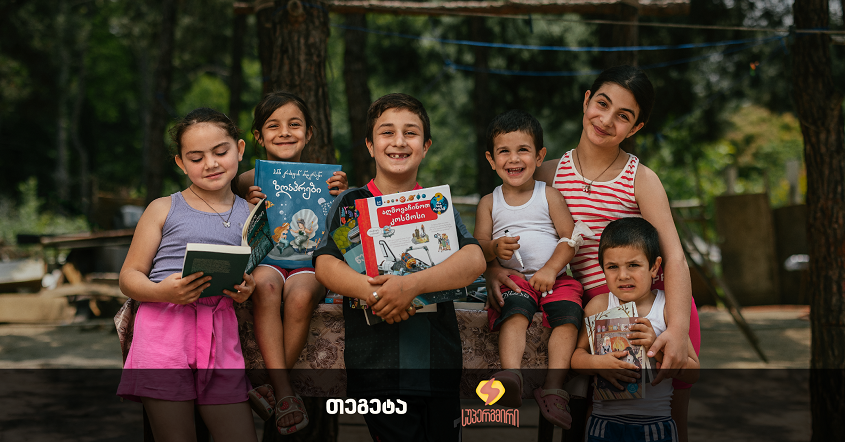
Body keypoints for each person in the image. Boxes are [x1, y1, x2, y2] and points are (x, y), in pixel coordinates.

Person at [485, 65, 701, 441]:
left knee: (670, 421)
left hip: (651, 308)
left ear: (635, 128)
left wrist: (678, 328)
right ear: (586, 100)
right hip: (581, 307)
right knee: (590, 421)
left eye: (623, 116)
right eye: (602, 103)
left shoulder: (641, 179)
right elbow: (504, 222)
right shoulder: (547, 173)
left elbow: (675, 257)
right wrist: (491, 267)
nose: (606, 119)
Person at [313, 93, 486, 441]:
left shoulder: (438, 206)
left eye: (411, 132)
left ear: (426, 146)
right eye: (387, 132)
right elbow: (326, 263)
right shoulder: (350, 204)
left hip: (438, 365)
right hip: (376, 368)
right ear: (370, 145)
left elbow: (474, 259)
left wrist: (410, 286)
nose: (399, 141)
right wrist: (378, 294)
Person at [117, 108, 260, 442]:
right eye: (196, 158)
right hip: (163, 333)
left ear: (239, 149)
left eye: (220, 152)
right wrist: (162, 292)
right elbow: (128, 276)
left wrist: (246, 288)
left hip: (221, 335)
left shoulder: (253, 215)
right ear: (181, 163)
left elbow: (253, 272)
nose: (210, 164)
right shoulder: (163, 208)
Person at [235, 91, 348, 434]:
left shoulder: (329, 179)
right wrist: (245, 201)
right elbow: (226, 212)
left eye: (294, 124)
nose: (284, 132)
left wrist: (343, 191)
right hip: (267, 261)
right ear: (258, 136)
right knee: (265, 287)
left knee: (299, 297)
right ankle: (285, 392)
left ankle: (273, 388)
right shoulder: (245, 179)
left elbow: (348, 219)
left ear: (309, 133)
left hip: (310, 264)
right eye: (273, 126)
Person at [473, 110, 584, 428]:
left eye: (523, 150)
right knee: (515, 310)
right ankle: (511, 375)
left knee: (569, 317)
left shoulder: (548, 195)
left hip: (556, 279)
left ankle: (553, 388)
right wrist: (494, 250)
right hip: (515, 281)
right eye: (503, 151)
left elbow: (570, 239)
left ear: (539, 156)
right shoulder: (489, 202)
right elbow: (478, 246)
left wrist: (550, 269)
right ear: (491, 160)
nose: (513, 158)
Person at [571, 217, 699, 442]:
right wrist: (597, 363)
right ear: (602, 269)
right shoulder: (598, 306)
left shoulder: (667, 308)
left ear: (654, 267)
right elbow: (576, 358)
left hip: (656, 426)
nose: (623, 275)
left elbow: (693, 372)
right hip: (604, 424)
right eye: (613, 267)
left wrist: (656, 347)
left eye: (633, 265)